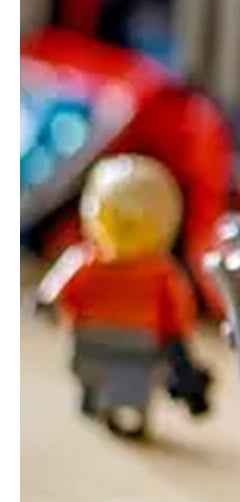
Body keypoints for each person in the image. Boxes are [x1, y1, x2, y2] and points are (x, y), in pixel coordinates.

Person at [34, 154, 215, 438]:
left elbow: (178, 309)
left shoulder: (150, 271)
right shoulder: (102, 263)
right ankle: (103, 398)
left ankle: (117, 403)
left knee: (127, 376)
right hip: (119, 342)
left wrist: (48, 302)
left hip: (114, 342)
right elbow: (179, 310)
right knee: (104, 372)